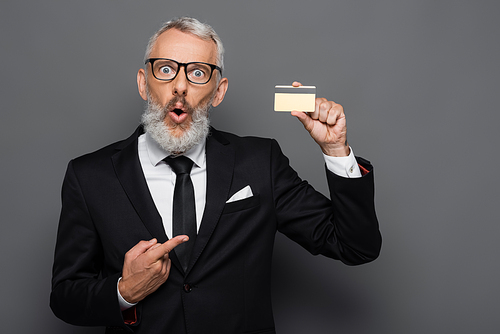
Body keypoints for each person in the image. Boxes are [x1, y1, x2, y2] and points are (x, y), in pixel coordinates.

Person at [50, 17, 381, 334]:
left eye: (197, 73)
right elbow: (65, 298)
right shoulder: (89, 176)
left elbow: (355, 247)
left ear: (218, 91)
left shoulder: (259, 162)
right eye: (165, 70)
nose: (180, 86)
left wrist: (337, 150)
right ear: (143, 82)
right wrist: (125, 291)